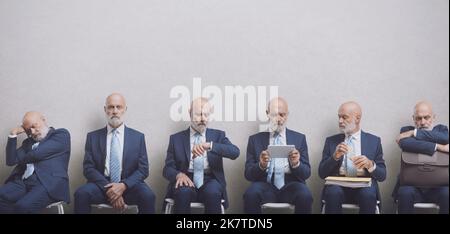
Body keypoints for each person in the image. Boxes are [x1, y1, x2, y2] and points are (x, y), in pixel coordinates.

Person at [74, 93, 155, 214]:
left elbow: (143, 169)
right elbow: (88, 169)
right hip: (102, 185)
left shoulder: (138, 137)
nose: (115, 111)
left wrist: (123, 186)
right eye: (111, 107)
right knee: (81, 194)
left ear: (125, 109)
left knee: (148, 196)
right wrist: (111, 189)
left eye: (119, 107)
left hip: (129, 186)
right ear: (105, 109)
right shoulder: (92, 137)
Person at [163, 97, 240, 214]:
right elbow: (167, 169)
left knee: (213, 192)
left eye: (206, 114)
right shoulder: (176, 139)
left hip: (210, 179)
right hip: (186, 179)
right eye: (198, 114)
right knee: (182, 192)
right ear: (189, 113)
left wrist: (210, 145)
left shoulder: (218, 135)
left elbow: (235, 152)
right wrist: (178, 175)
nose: (203, 119)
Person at [243, 97, 313, 214]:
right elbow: (248, 175)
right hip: (264, 185)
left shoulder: (299, 138)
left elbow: (306, 173)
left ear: (287, 115)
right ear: (267, 114)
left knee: (305, 194)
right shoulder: (254, 140)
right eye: (275, 115)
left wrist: (296, 164)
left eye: (282, 115)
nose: (279, 119)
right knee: (250, 194)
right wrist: (261, 165)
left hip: (291, 185)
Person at [318, 101, 386, 214]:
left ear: (357, 118)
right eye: (339, 117)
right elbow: (322, 173)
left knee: (368, 194)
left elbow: (382, 175)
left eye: (344, 117)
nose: (340, 121)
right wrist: (334, 157)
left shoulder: (374, 141)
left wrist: (370, 165)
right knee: (333, 192)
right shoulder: (331, 141)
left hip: (364, 186)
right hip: (338, 186)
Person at [0, 111, 70, 213]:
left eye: (34, 126)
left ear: (43, 119)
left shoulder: (60, 135)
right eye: (28, 130)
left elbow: (37, 154)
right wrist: (13, 134)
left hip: (48, 184)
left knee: (22, 206)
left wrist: (21, 157)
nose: (32, 132)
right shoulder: (27, 143)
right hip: (23, 182)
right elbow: (11, 161)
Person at [394, 101, 449, 214]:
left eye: (426, 117)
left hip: (438, 187)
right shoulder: (405, 130)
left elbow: (445, 139)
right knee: (404, 192)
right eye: (418, 118)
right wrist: (439, 147)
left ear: (433, 117)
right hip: (412, 187)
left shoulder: (442, 130)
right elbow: (405, 144)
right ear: (413, 118)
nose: (423, 122)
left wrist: (415, 133)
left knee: (447, 193)